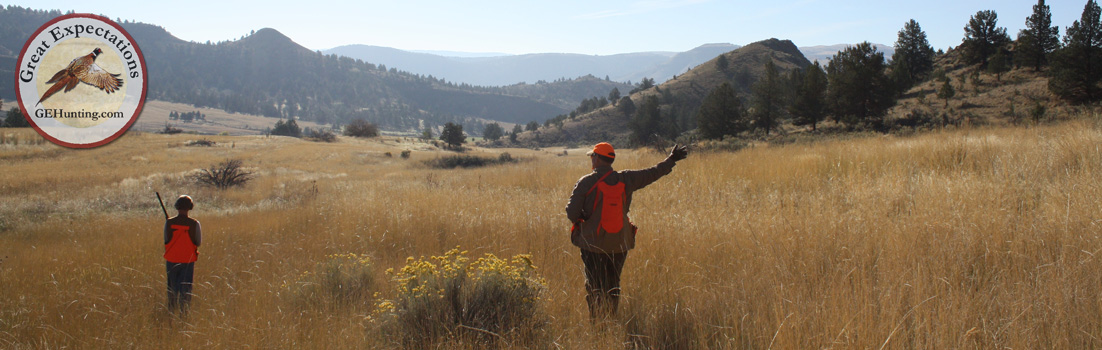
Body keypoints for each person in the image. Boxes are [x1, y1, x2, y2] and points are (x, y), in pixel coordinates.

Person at [565, 142, 688, 319]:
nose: (591, 159)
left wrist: (585, 218)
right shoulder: (627, 179)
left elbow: (572, 213)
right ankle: (611, 318)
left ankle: (597, 322)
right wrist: (671, 159)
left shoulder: (586, 182)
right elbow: (652, 173)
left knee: (595, 285)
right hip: (620, 242)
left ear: (597, 158)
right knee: (613, 284)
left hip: (593, 244)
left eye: (592, 155)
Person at [164, 195, 201, 313]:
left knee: (172, 289)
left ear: (177, 207)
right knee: (185, 290)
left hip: (172, 259)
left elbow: (166, 240)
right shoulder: (194, 223)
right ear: (190, 207)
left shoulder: (169, 223)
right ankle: (184, 314)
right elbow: (198, 242)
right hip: (187, 260)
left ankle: (171, 313)